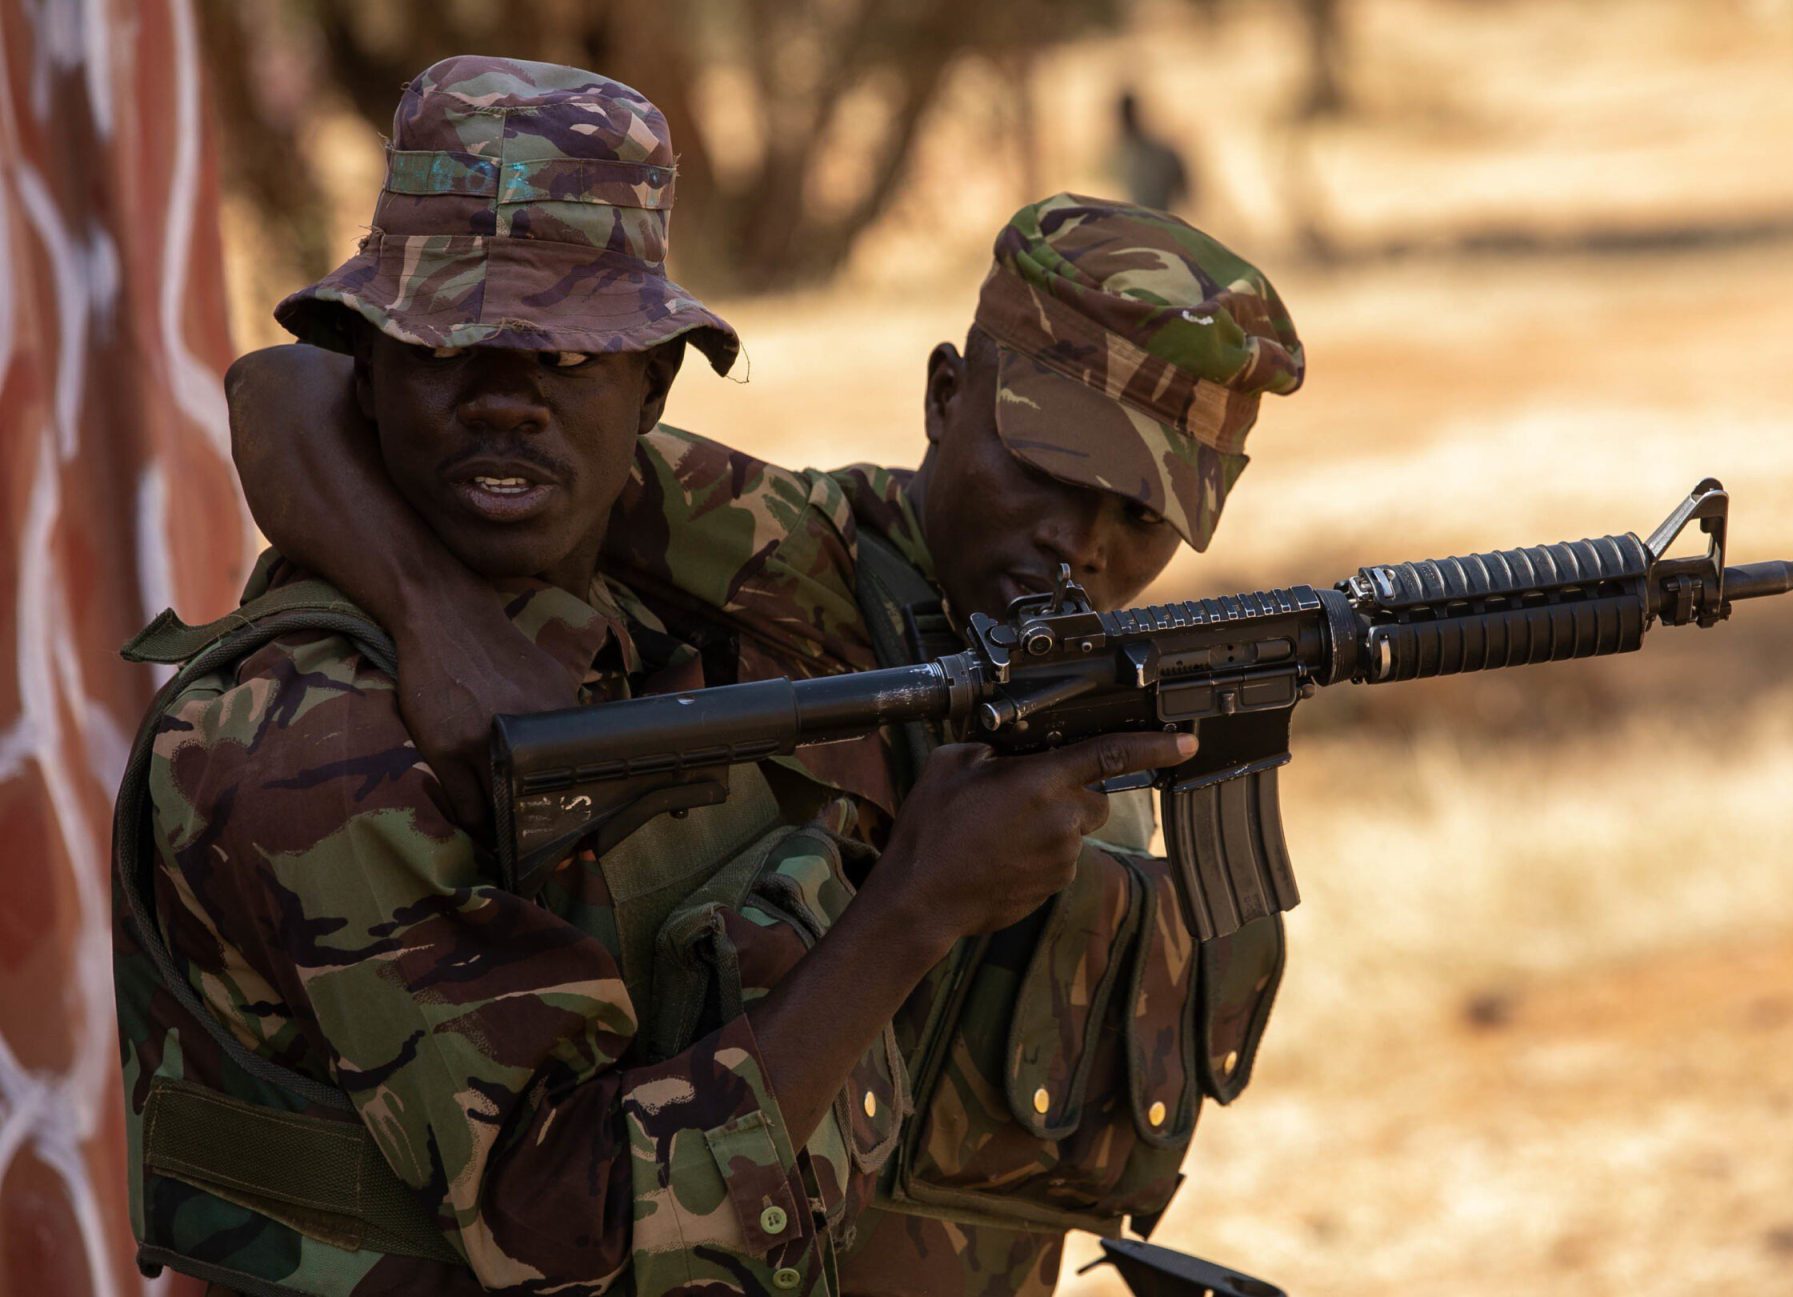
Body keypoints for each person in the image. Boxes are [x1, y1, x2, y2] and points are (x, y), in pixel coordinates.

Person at [114, 58, 1194, 1297]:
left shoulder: (668, 596)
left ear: (655, 387)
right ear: (369, 365)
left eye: (569, 354)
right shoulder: (310, 739)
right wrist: (913, 908)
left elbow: (902, 550)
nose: (506, 401)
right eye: (446, 343)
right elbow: (557, 1225)